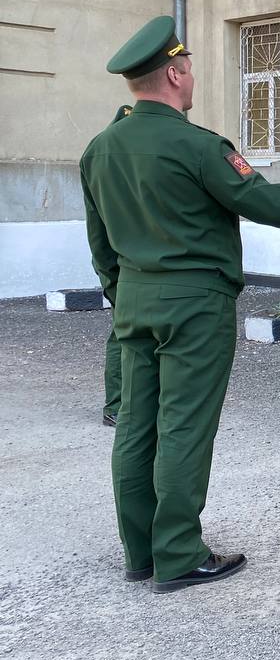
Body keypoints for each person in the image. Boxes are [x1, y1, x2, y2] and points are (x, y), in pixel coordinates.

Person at [81, 15, 280, 592]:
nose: (191, 79)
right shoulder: (197, 145)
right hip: (194, 302)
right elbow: (263, 200)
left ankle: (141, 551)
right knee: (185, 425)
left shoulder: (100, 149)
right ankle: (180, 554)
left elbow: (100, 242)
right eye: (187, 70)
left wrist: (124, 292)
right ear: (175, 73)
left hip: (135, 300)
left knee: (137, 424)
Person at [100, 103, 132, 428]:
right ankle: (115, 404)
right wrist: (112, 284)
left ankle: (123, 403)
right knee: (120, 339)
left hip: (128, 270)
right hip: (125, 269)